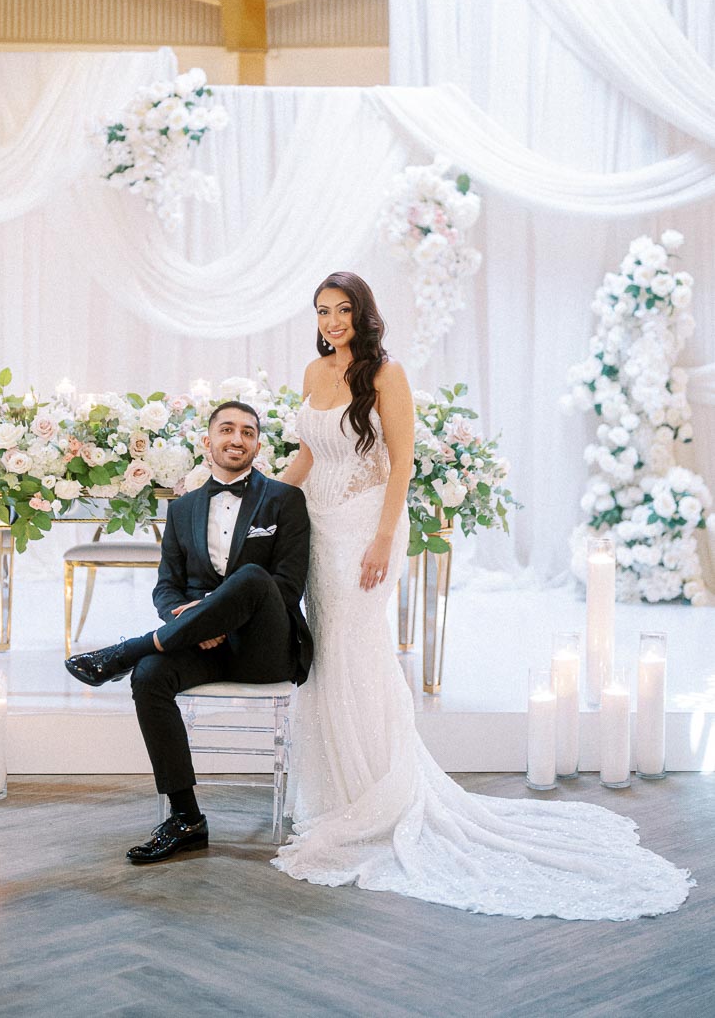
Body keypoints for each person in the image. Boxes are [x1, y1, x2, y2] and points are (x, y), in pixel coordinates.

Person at [272, 270, 693, 919]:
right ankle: (340, 793)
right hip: (320, 527)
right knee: (328, 651)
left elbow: (403, 463)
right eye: (323, 310)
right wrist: (259, 498)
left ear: (363, 312)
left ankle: (378, 788)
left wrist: (384, 538)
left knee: (357, 647)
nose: (332, 321)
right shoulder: (313, 370)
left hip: (365, 526)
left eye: (343, 309)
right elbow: (308, 455)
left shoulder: (386, 375)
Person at [65, 400, 312, 864]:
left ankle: (126, 651)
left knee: (253, 577)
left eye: (248, 432)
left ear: (258, 445)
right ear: (207, 441)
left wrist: (217, 612)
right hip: (201, 647)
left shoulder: (285, 500)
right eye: (227, 429)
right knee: (150, 675)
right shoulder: (182, 509)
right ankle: (186, 818)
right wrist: (192, 621)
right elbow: (166, 589)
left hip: (264, 649)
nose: (237, 439)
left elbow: (287, 587)